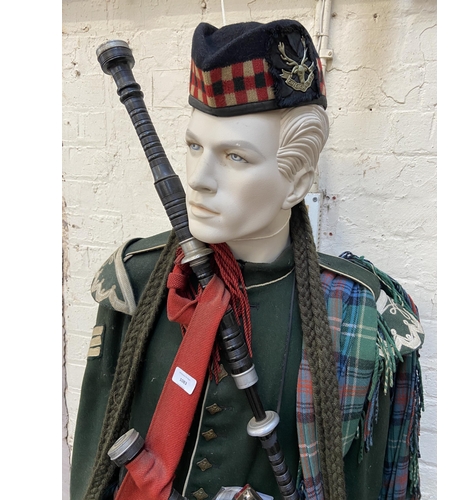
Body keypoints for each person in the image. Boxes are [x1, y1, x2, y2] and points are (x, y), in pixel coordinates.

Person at [70, 20, 424, 500]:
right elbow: (94, 459)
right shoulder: (134, 280)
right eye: (194, 146)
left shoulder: (357, 316)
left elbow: (365, 483)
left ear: (297, 179)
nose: (199, 178)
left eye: (235, 157)